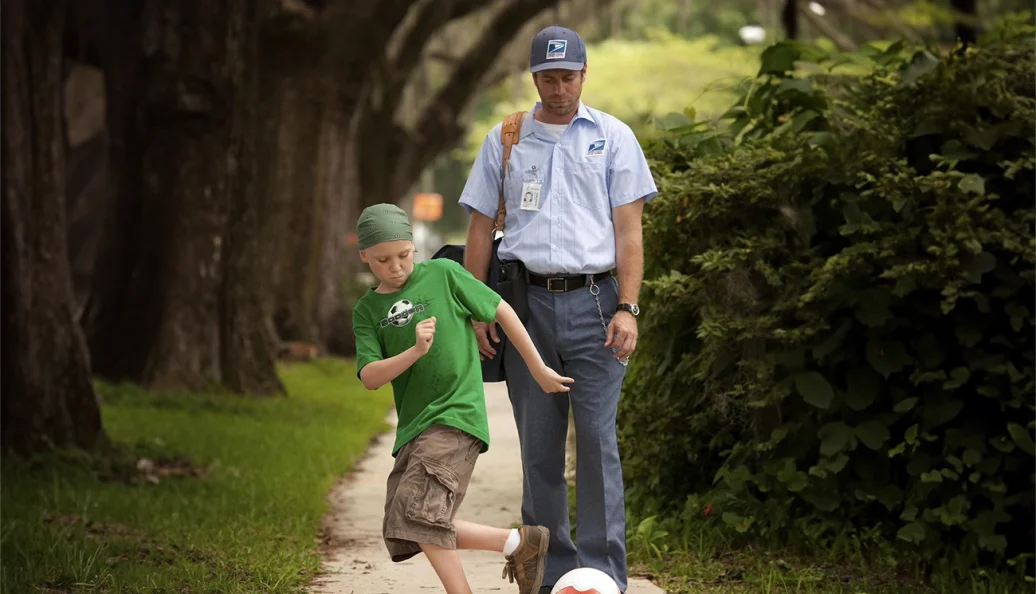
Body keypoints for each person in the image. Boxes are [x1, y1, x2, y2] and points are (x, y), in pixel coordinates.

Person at [458, 25, 658, 594]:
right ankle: (550, 576)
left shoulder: (614, 137)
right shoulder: (507, 139)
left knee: (597, 440)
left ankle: (602, 575)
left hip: (598, 304)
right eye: (548, 77)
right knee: (539, 447)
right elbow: (478, 227)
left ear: (584, 73)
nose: (559, 87)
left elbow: (629, 232)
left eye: (568, 76)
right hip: (524, 307)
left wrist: (629, 307)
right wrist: (479, 309)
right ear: (534, 77)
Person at [351, 203, 576, 594]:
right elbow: (370, 377)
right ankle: (517, 543)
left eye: (404, 255)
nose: (396, 267)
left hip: (456, 415)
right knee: (404, 523)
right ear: (364, 256)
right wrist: (414, 353)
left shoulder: (444, 274)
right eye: (384, 260)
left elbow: (500, 309)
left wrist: (538, 368)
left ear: (413, 248)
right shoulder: (367, 310)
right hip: (414, 427)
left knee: (420, 514)